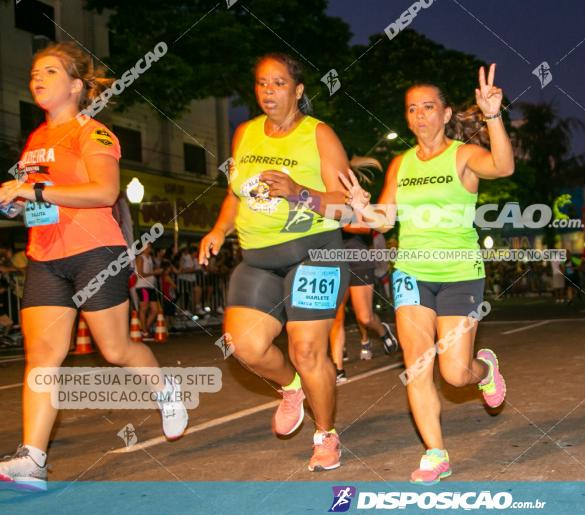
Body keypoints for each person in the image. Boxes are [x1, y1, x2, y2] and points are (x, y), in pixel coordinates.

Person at [0, 42, 186, 490]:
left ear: (77, 86)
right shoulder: (36, 140)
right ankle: (33, 459)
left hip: (95, 252)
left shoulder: (95, 134)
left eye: (49, 71)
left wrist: (35, 193)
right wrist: (13, 202)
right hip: (45, 255)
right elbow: (36, 201)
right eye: (33, 74)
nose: (37, 79)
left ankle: (166, 391)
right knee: (43, 357)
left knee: (116, 349)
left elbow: (103, 192)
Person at [340, 65, 513, 484]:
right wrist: (364, 208)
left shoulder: (464, 156)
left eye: (429, 107)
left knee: (455, 374)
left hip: (459, 273)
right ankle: (436, 453)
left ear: (447, 113)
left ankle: (485, 370)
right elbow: (385, 221)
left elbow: (504, 167)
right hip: (411, 274)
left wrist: (493, 116)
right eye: (412, 109)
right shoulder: (400, 164)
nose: (420, 116)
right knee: (417, 367)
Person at [198, 53, 351, 472]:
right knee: (244, 345)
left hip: (314, 253)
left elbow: (349, 207)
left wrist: (299, 190)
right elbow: (235, 193)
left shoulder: (319, 135)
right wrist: (218, 230)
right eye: (263, 84)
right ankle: (292, 388)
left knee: (306, 349)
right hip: (259, 259)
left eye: (279, 83)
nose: (269, 91)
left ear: (298, 91)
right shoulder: (245, 133)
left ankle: (326, 435)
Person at [329, 216, 399, 384]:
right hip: (333, 259)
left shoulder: (354, 197)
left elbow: (368, 228)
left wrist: (339, 222)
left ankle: (382, 330)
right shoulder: (321, 196)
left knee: (364, 317)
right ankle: (338, 369)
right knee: (336, 316)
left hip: (358, 258)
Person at [134, 242, 161, 340]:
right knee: (144, 308)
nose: (150, 249)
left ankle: (144, 329)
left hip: (150, 287)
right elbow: (140, 274)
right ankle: (144, 331)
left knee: (155, 310)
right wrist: (154, 272)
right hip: (143, 287)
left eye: (150, 247)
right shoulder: (140, 258)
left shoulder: (150, 258)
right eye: (148, 247)